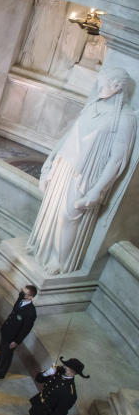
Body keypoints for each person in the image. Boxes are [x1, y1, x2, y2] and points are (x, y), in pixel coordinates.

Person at [27, 67, 137, 274]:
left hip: (86, 175)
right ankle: (43, 247)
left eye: (104, 83)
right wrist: (48, 164)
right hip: (64, 166)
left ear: (117, 87)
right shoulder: (93, 106)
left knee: (69, 216)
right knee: (52, 208)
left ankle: (60, 260)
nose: (99, 87)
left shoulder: (125, 118)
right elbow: (67, 136)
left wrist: (97, 191)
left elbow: (117, 160)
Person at [0, 285, 38, 379]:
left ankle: (0, 373)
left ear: (30, 297)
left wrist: (16, 341)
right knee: (2, 351)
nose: (21, 294)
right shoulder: (20, 300)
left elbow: (25, 330)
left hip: (13, 338)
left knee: (7, 355)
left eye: (24, 293)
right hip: (6, 331)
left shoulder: (31, 312)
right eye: (22, 291)